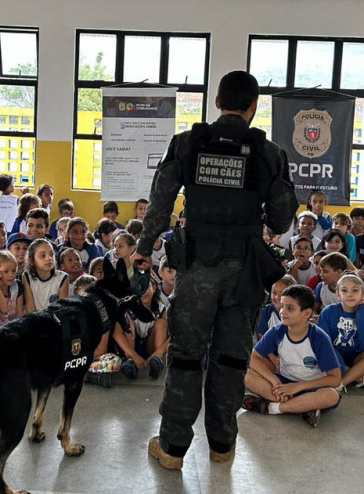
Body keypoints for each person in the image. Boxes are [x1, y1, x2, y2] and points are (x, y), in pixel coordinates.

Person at [133, 70, 297, 468]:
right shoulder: (268, 153)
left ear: (218, 102)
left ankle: (172, 449)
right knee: (231, 361)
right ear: (254, 108)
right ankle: (222, 445)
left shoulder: (188, 143)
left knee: (187, 358)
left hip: (196, 269)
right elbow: (280, 221)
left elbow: (160, 202)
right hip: (244, 274)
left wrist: (143, 248)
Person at [242, 285, 342, 427]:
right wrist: (275, 381)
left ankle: (273, 408)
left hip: (310, 387)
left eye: (290, 308)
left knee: (331, 396)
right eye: (282, 306)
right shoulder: (277, 331)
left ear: (306, 314)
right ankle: (302, 409)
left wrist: (298, 386)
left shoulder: (319, 337)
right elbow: (254, 357)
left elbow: (335, 378)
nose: (282, 312)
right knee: (246, 374)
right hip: (284, 384)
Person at [316, 273, 364, 394]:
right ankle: (360, 378)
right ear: (338, 294)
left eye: (355, 290)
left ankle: (340, 383)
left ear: (363, 294)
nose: (349, 294)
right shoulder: (328, 311)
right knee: (326, 351)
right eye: (344, 290)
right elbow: (324, 342)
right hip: (333, 356)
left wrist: (361, 315)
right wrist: (339, 365)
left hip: (357, 358)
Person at [22, 239, 69, 313]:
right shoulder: (27, 276)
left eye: (51, 254)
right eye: (43, 255)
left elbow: (61, 310)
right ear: (32, 260)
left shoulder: (62, 277)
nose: (49, 258)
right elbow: (30, 308)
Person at [255, 276, 297, 340]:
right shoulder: (266, 312)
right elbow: (261, 339)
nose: (277, 297)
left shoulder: (298, 312)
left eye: (283, 293)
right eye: (274, 293)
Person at [0, 251, 23, 322]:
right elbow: (3, 309)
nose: (11, 275)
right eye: (6, 271)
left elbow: (19, 314)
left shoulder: (17, 286)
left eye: (13, 271)